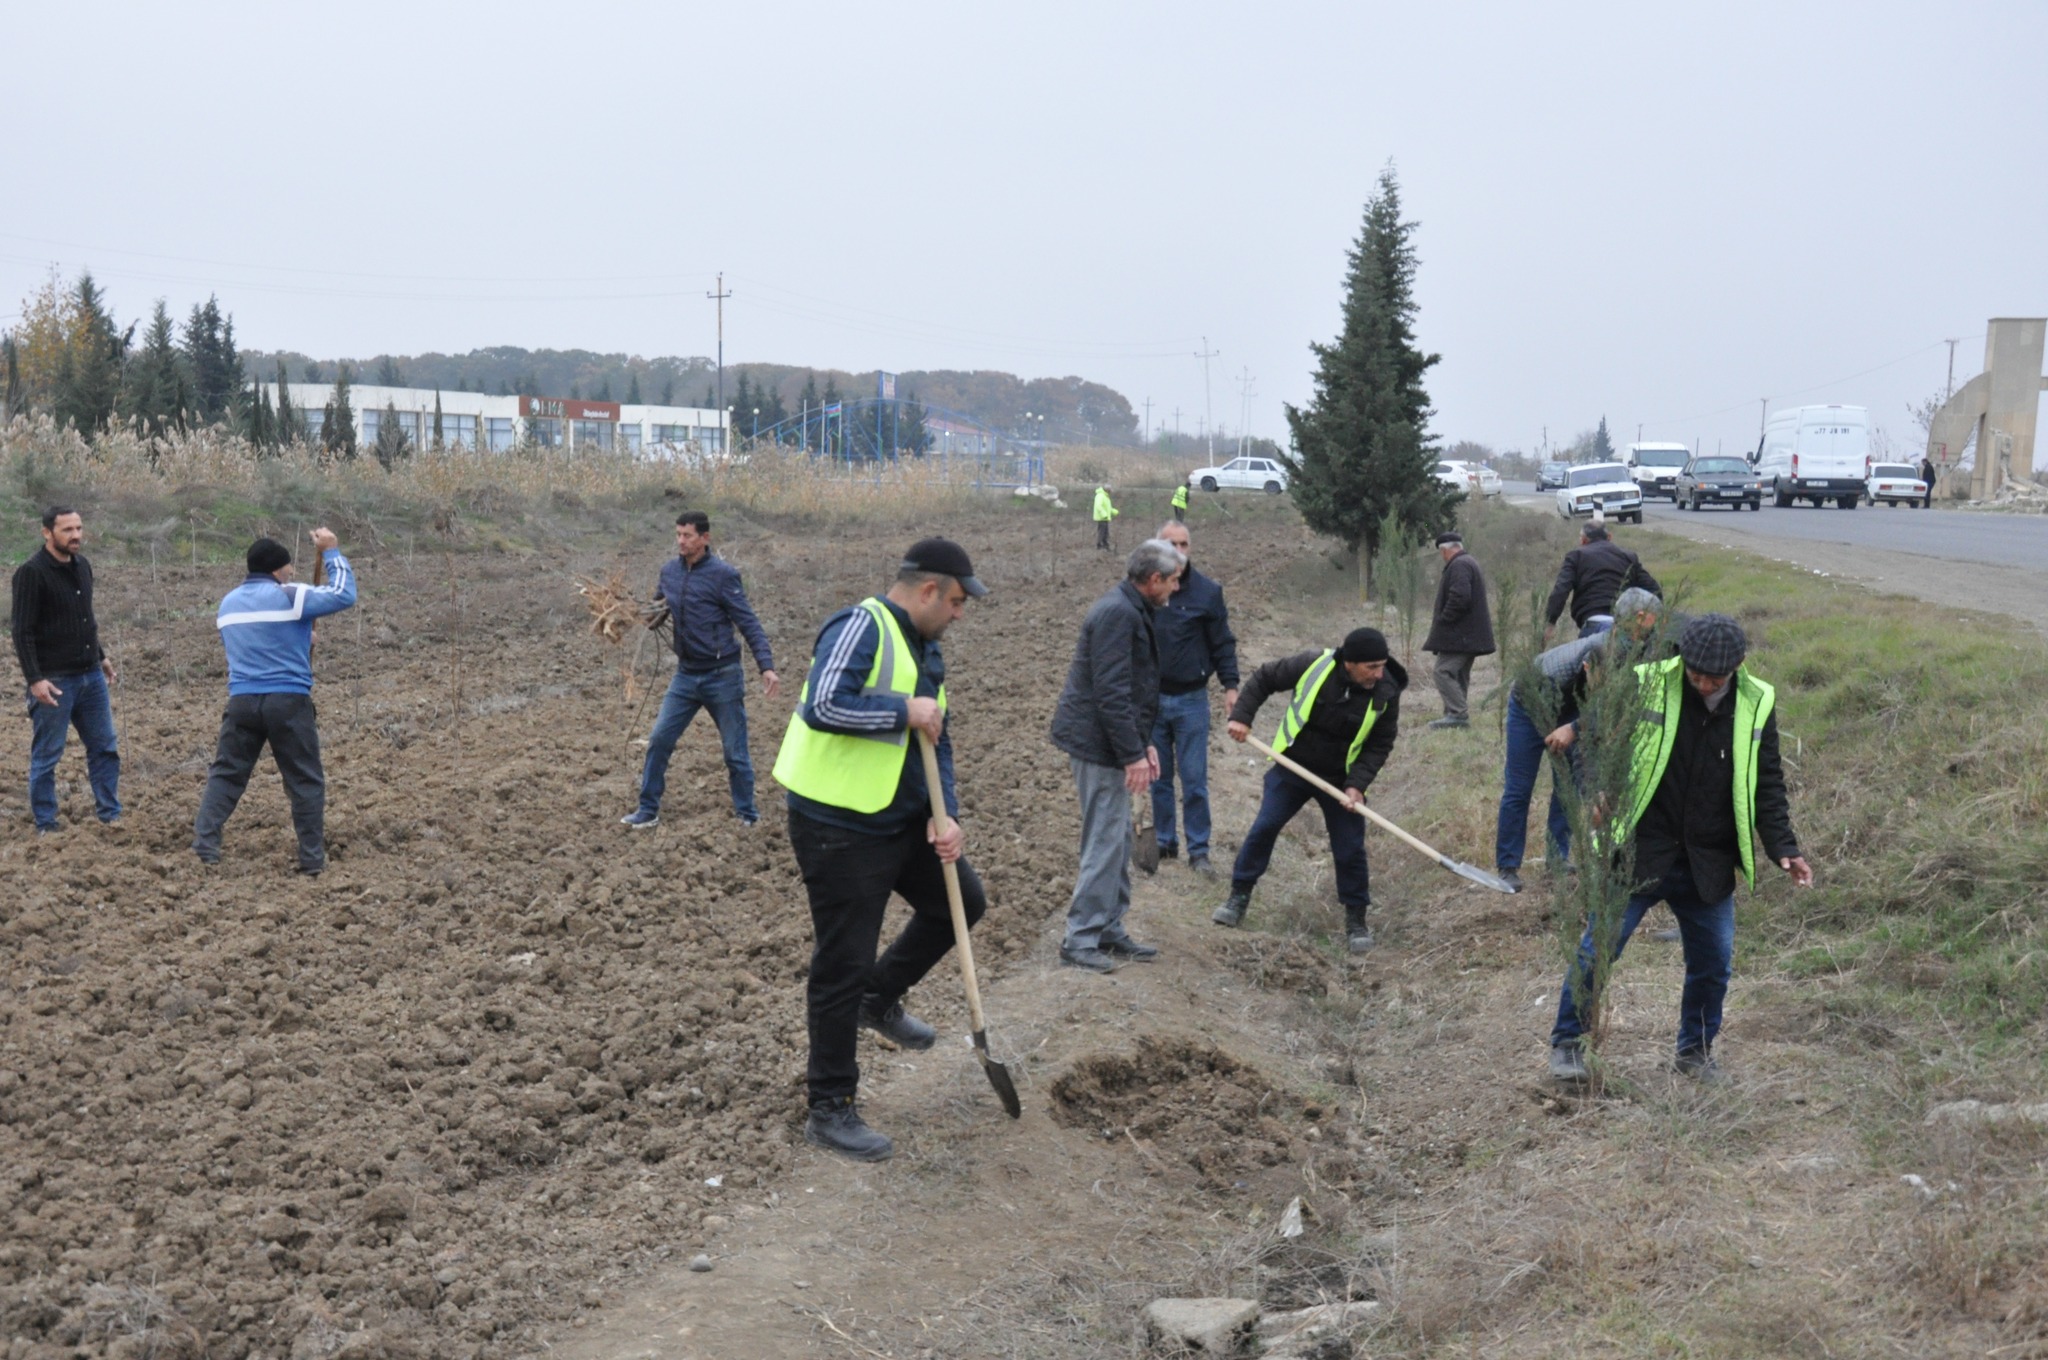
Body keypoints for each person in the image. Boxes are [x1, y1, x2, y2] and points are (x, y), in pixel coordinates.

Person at [770, 538, 990, 1161]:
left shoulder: (928, 647)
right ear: (926, 590)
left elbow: (935, 735)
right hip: (837, 826)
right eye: (953, 601)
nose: (958, 613)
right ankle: (830, 1106)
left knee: (961, 904)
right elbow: (824, 704)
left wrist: (945, 815)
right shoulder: (859, 625)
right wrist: (902, 709)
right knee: (842, 961)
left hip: (899, 819)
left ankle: (879, 995)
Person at [1547, 613, 1812, 1085]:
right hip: (1638, 851)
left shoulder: (1759, 701)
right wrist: (1599, 792)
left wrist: (1784, 848)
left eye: (1715, 677)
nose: (1704, 683)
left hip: (1707, 858)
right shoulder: (1645, 682)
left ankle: (1694, 1051)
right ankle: (1568, 1044)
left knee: (1713, 966)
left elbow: (1767, 782)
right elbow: (1596, 738)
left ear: (1738, 667)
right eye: (1696, 673)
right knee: (1596, 952)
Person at [1216, 627, 1407, 954]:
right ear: (1349, 662)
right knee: (1266, 825)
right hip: (1293, 766)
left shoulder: (1385, 690)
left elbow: (1380, 744)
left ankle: (1356, 919)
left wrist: (1357, 786)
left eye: (1382, 665)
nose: (1379, 673)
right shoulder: (1313, 664)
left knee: (1349, 848)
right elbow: (1264, 678)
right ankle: (1238, 896)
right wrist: (1242, 716)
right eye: (1371, 667)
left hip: (1340, 780)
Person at [1050, 538, 1182, 972]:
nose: (1176, 589)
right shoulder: (1117, 614)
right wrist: (1131, 755)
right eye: (1173, 581)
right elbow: (1110, 693)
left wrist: (1142, 744)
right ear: (1154, 579)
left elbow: (1132, 689)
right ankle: (1080, 939)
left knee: (1119, 837)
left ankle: (1109, 928)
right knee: (1104, 840)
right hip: (1097, 746)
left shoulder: (1133, 610)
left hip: (1114, 743)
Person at [192, 532, 357, 873]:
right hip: (288, 702)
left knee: (226, 774)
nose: (292, 572)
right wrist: (331, 552)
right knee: (304, 780)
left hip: (242, 702)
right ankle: (311, 860)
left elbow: (259, 641)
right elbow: (344, 594)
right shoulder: (292, 595)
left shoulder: (228, 604)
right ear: (278, 570)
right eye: (289, 567)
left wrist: (299, 637)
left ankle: (205, 847)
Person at [1494, 587, 1662, 893]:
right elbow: (1596, 708)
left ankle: (1557, 859)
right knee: (1519, 787)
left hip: (1569, 708)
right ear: (1640, 617)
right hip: (1531, 701)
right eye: (1655, 616)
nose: (1659, 622)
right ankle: (1507, 866)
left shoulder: (1639, 646)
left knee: (1567, 788)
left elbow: (1598, 713)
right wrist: (1574, 728)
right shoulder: (1606, 649)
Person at [622, 511, 778, 829]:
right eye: (678, 534)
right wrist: (630, 614)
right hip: (686, 675)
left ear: (704, 538)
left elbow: (748, 622)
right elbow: (656, 615)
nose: (681, 541)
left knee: (735, 751)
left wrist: (767, 666)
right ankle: (647, 809)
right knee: (659, 740)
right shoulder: (669, 573)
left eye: (688, 535)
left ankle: (747, 815)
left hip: (723, 676)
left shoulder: (723, 576)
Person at [12, 505, 120, 831]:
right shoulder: (31, 573)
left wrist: (100, 656)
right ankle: (47, 823)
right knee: (47, 756)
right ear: (47, 533)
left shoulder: (82, 566)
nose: (76, 536)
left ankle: (110, 815)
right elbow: (22, 631)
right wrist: (35, 679)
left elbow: (84, 618)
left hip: (89, 675)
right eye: (67, 530)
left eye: (78, 528)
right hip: (54, 680)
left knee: (105, 748)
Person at [1149, 521, 1239, 876]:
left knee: (1194, 779)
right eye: (1171, 544)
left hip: (1191, 701)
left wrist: (1231, 686)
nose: (1179, 551)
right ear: (1157, 548)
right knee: (1158, 777)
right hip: (1152, 700)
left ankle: (1198, 849)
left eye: (1184, 544)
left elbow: (1222, 643)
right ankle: (1164, 841)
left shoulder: (1207, 593)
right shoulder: (1148, 593)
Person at [1422, 530, 1494, 731]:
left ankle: (1457, 715)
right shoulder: (1468, 562)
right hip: (1469, 635)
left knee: (1442, 671)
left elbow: (1460, 597)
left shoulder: (1460, 565)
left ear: (1445, 551)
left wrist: (1444, 620)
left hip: (1461, 635)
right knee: (1459, 674)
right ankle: (1453, 716)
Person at [1545, 521, 1661, 640]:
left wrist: (1550, 622)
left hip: (1592, 623)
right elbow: (1654, 590)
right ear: (1609, 537)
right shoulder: (1628, 556)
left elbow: (1560, 591)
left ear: (1583, 541)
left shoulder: (1576, 556)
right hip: (1624, 626)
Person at [1092, 485, 1119, 551]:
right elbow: (1099, 506)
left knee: (1106, 532)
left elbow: (1107, 508)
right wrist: (1104, 514)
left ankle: (1105, 544)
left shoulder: (1105, 496)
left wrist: (1114, 511)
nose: (1110, 492)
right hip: (1101, 518)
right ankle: (1100, 545)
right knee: (1102, 532)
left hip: (1105, 518)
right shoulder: (1100, 496)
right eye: (1110, 491)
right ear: (1107, 490)